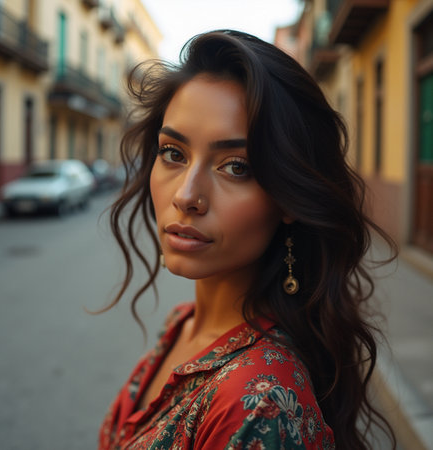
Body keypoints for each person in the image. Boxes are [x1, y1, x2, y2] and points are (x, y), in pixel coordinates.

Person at [98, 30, 396, 449]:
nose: (186, 196)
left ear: (289, 196)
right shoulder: (184, 324)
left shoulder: (257, 403)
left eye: (236, 167)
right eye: (173, 153)